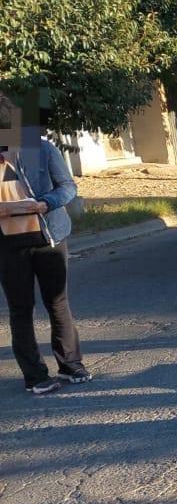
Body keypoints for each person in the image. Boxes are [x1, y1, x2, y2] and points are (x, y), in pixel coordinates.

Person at [0, 138, 92, 394]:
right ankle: (35, 376)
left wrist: (46, 203)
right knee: (20, 309)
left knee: (57, 302)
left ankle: (71, 365)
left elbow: (67, 186)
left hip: (49, 235)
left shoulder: (41, 148)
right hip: (7, 243)